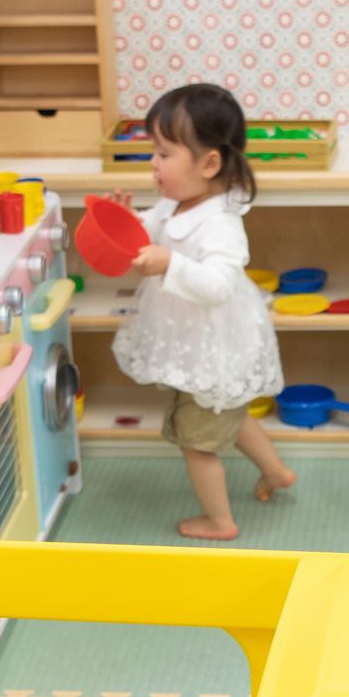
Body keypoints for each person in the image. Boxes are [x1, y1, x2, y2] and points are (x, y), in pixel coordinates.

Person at [110, 83, 291, 540]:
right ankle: (277, 472)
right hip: (196, 343)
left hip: (213, 348)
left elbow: (217, 285)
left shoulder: (221, 223)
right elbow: (152, 230)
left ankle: (220, 521)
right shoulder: (176, 202)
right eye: (153, 151)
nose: (153, 162)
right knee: (231, 412)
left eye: (164, 153)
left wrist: (169, 263)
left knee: (197, 443)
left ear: (209, 164)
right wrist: (127, 222)